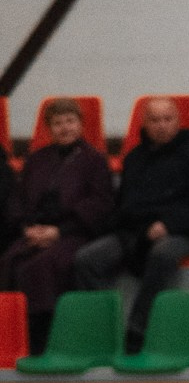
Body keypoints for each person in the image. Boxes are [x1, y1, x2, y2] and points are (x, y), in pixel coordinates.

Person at [74, 96, 189, 353]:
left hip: (182, 232)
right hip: (132, 231)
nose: (162, 125)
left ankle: (138, 327)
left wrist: (168, 223)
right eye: (155, 120)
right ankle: (100, 329)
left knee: (163, 253)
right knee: (87, 259)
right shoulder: (134, 158)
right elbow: (123, 204)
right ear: (144, 123)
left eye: (168, 119)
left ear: (178, 121)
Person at [0, 99, 115, 354]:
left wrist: (58, 232)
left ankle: (43, 340)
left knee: (42, 266)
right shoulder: (37, 159)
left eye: (70, 121)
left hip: (74, 233)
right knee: (10, 259)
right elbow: (18, 199)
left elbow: (100, 204)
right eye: (58, 123)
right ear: (49, 128)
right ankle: (13, 338)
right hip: (35, 230)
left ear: (80, 125)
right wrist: (26, 229)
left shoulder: (95, 161)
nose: (65, 128)